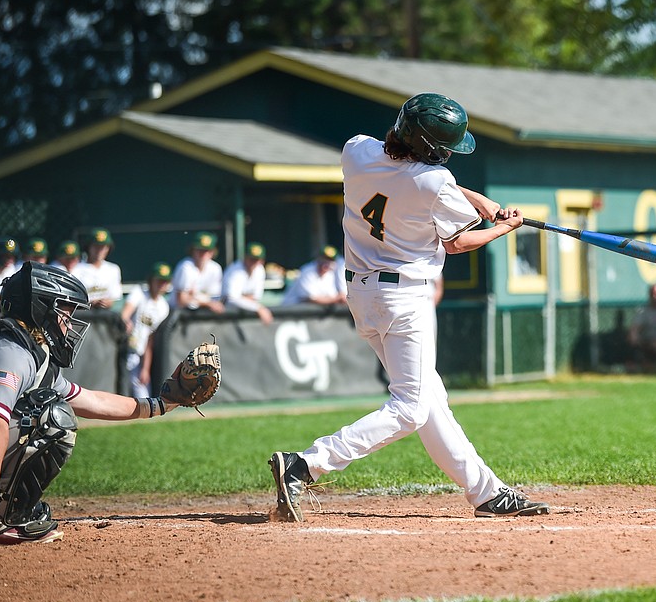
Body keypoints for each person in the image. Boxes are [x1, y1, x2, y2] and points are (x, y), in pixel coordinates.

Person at [268, 92, 549, 521]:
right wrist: (504, 227)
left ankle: (487, 493)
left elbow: (413, 181)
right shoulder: (435, 185)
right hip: (406, 299)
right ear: (432, 150)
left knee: (430, 400)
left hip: (363, 296)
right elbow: (457, 242)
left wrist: (477, 202)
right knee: (412, 407)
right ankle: (306, 464)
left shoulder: (356, 150)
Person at [0, 262, 196, 546]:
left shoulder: (30, 353)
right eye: (64, 312)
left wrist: (160, 405)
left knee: (54, 410)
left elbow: (91, 400)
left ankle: (6, 511)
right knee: (52, 418)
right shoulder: (9, 353)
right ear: (39, 308)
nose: (68, 322)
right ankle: (1, 517)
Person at [120, 262, 173, 399]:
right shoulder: (139, 292)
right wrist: (126, 322)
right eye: (158, 280)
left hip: (138, 355)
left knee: (143, 395)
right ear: (151, 280)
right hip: (123, 348)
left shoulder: (163, 307)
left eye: (164, 281)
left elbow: (150, 340)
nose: (161, 284)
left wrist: (145, 368)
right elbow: (125, 315)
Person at [168, 232, 225, 314]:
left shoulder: (215, 268)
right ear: (193, 250)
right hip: (178, 314)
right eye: (199, 250)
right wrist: (207, 303)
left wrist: (194, 296)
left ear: (212, 252)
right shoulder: (185, 267)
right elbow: (181, 301)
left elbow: (215, 298)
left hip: (203, 315)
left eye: (206, 250)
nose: (202, 254)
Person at [222, 242, 274, 324]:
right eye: (251, 259)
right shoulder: (235, 271)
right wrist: (258, 308)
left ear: (262, 261)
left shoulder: (260, 270)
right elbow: (232, 299)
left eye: (256, 260)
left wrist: (240, 298)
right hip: (225, 316)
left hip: (243, 315)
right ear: (245, 258)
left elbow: (256, 297)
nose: (253, 262)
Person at [73, 227, 123, 309]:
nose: (99, 251)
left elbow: (116, 298)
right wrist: (91, 303)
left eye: (103, 247)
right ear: (89, 247)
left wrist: (108, 303)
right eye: (96, 246)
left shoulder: (113, 269)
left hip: (106, 316)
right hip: (83, 315)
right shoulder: (76, 269)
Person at [281, 245, 346, 306]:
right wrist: (338, 299)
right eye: (324, 258)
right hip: (291, 311)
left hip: (310, 314)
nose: (326, 262)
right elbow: (312, 299)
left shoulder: (330, 274)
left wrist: (339, 298)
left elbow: (331, 296)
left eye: (330, 260)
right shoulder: (307, 271)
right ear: (318, 258)